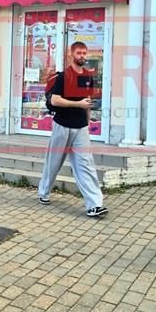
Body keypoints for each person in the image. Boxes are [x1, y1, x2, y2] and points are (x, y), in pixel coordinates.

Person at [38, 42, 107, 217]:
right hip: (62, 125)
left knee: (86, 165)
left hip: (81, 127)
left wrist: (88, 119)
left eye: (84, 53)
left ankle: (94, 205)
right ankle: (44, 192)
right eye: (79, 53)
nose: (82, 56)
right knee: (53, 162)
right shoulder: (63, 76)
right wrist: (78, 104)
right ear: (71, 54)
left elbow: (87, 100)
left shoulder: (88, 77)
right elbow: (55, 100)